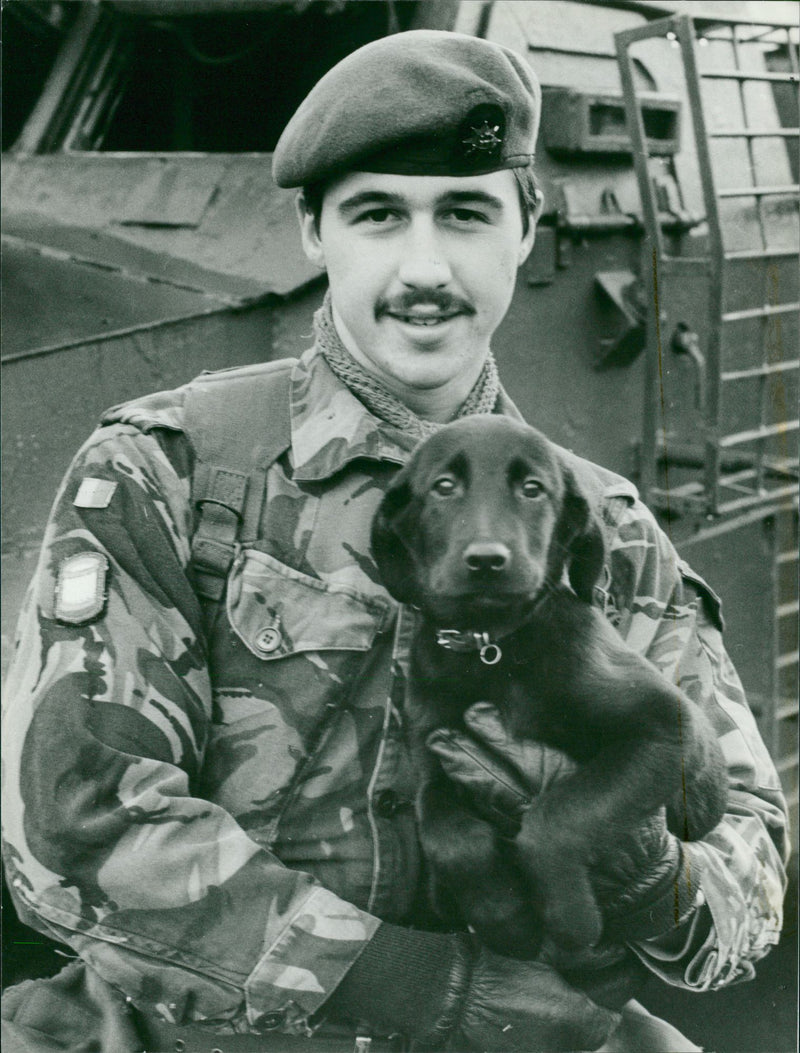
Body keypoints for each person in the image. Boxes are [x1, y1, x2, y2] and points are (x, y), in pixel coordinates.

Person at [1, 29, 789, 1053]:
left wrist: (648, 873)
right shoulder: (175, 470)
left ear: (523, 228)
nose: (424, 267)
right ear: (315, 229)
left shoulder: (604, 529)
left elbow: (747, 880)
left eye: (463, 213)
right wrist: (423, 989)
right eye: (378, 214)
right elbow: (67, 828)